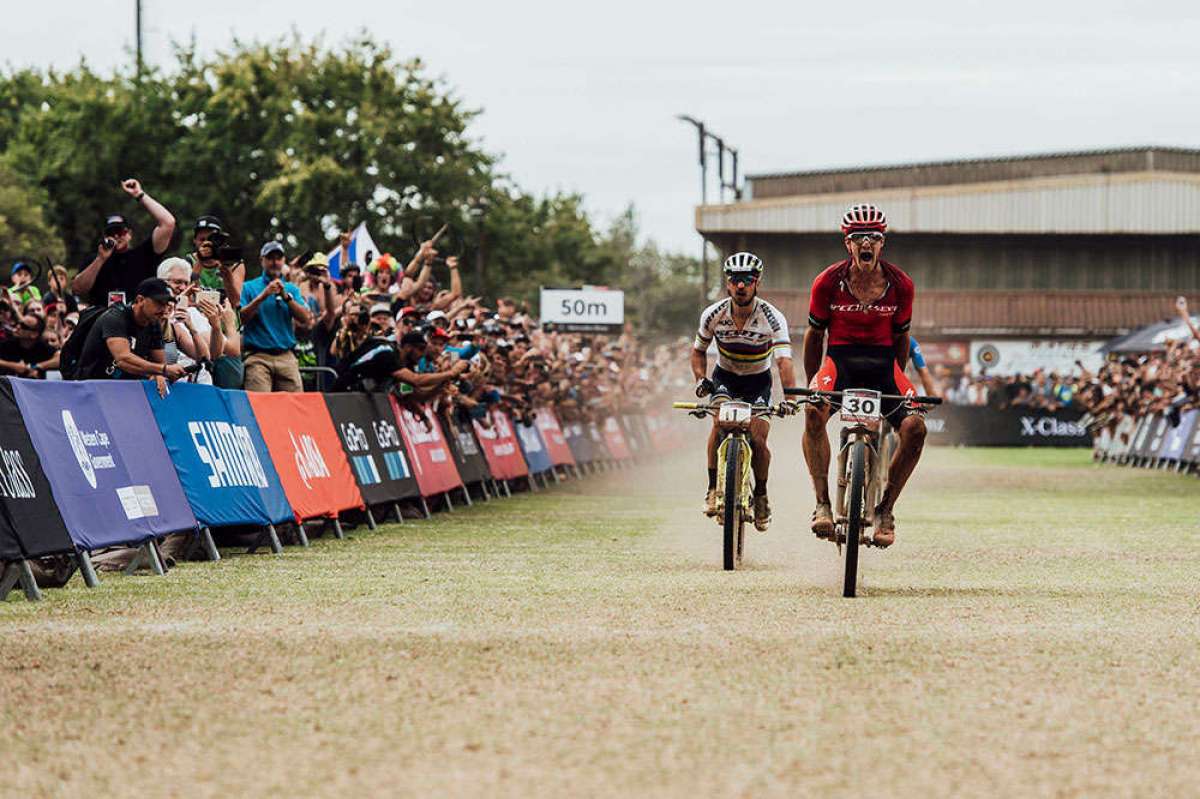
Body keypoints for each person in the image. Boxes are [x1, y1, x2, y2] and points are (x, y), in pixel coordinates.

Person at [802, 203, 924, 547]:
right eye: (858, 237)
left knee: (915, 428)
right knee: (813, 412)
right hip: (839, 361)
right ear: (848, 244)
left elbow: (901, 338)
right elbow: (814, 336)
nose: (865, 243)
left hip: (884, 365)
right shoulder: (827, 281)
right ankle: (822, 504)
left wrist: (898, 381)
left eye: (873, 237)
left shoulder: (901, 285)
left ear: (882, 243)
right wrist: (814, 383)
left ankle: (885, 510)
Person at [691, 251, 797, 532]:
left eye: (747, 280)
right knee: (719, 422)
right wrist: (701, 379)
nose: (741, 286)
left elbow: (784, 361)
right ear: (728, 283)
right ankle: (713, 488)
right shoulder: (713, 314)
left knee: (759, 440)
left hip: (758, 382)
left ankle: (760, 495)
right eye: (735, 280)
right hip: (724, 378)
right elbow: (698, 351)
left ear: (756, 282)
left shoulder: (772, 317)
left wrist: (791, 399)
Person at [74, 277, 187, 396]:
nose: (164, 309)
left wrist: (160, 374)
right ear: (140, 300)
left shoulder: (154, 323)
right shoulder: (115, 318)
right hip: (91, 388)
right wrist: (163, 370)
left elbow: (159, 362)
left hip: (124, 390)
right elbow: (123, 360)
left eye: (166, 304)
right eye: (159, 303)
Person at [70, 179, 177, 305]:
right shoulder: (95, 259)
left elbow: (168, 223)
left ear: (129, 234)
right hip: (102, 319)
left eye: (120, 232)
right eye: (111, 232)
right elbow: (77, 289)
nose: (116, 236)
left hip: (137, 319)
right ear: (104, 236)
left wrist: (139, 194)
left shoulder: (143, 255)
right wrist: (100, 260)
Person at [239, 241, 313, 392]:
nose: (275, 262)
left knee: (295, 406)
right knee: (259, 407)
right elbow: (240, 319)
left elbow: (305, 319)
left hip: (286, 356)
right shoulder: (249, 287)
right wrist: (263, 296)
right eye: (270, 258)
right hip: (258, 358)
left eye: (278, 258)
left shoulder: (291, 289)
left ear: (284, 261)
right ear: (262, 261)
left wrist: (287, 297)